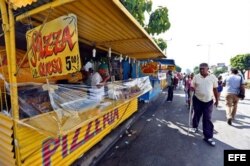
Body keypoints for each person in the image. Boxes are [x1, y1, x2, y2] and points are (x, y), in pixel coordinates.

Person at [191, 63, 218, 146]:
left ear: (207, 69)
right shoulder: (196, 77)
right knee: (196, 114)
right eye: (200, 68)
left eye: (203, 68)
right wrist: (191, 88)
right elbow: (192, 86)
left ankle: (208, 137)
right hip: (197, 99)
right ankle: (195, 126)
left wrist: (217, 100)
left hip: (208, 101)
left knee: (207, 118)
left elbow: (215, 89)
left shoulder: (213, 77)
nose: (201, 70)